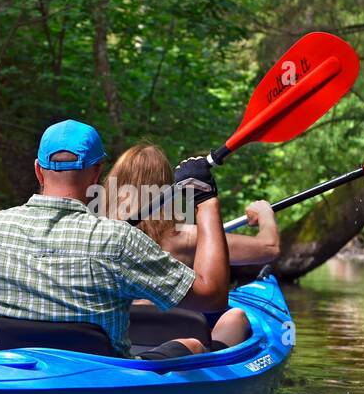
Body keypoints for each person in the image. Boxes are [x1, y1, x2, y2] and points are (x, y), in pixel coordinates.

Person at [0, 120, 229, 360]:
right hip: (100, 385)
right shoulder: (117, 239)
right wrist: (205, 200)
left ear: (38, 170)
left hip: (3, 379)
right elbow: (212, 296)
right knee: (191, 344)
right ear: (97, 173)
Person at [103, 141, 280, 349]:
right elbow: (269, 248)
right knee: (235, 316)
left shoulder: (99, 234)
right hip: (182, 344)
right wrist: (265, 214)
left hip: (120, 341)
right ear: (167, 188)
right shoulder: (186, 237)